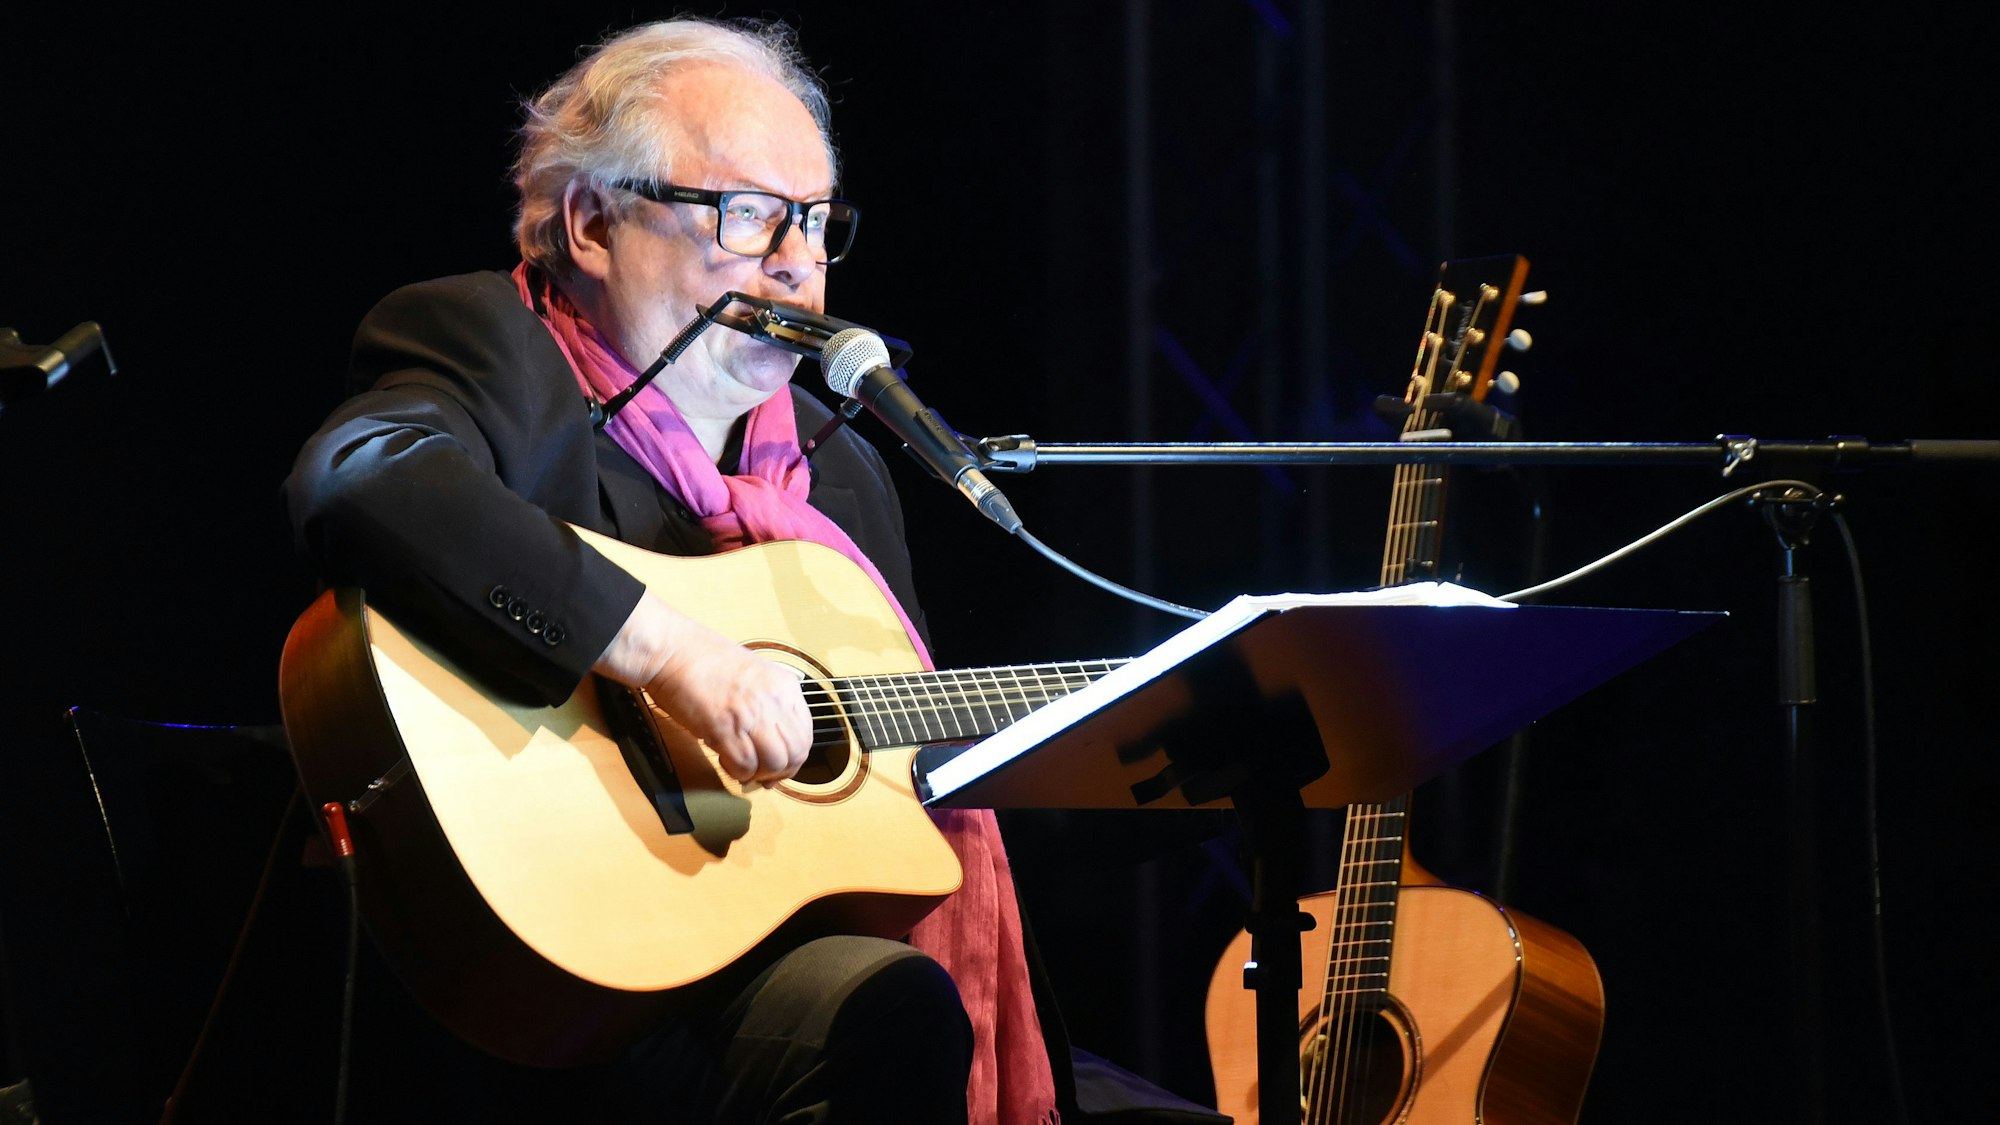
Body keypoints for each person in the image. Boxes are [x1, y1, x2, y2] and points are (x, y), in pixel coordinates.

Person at [284, 16, 1058, 1124]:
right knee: (891, 1010)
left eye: (815, 221)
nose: (795, 262)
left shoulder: (840, 479)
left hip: (778, 962)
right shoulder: (492, 349)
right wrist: (673, 653)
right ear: (593, 224)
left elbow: (899, 770)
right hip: (540, 984)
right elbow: (359, 479)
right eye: (746, 213)